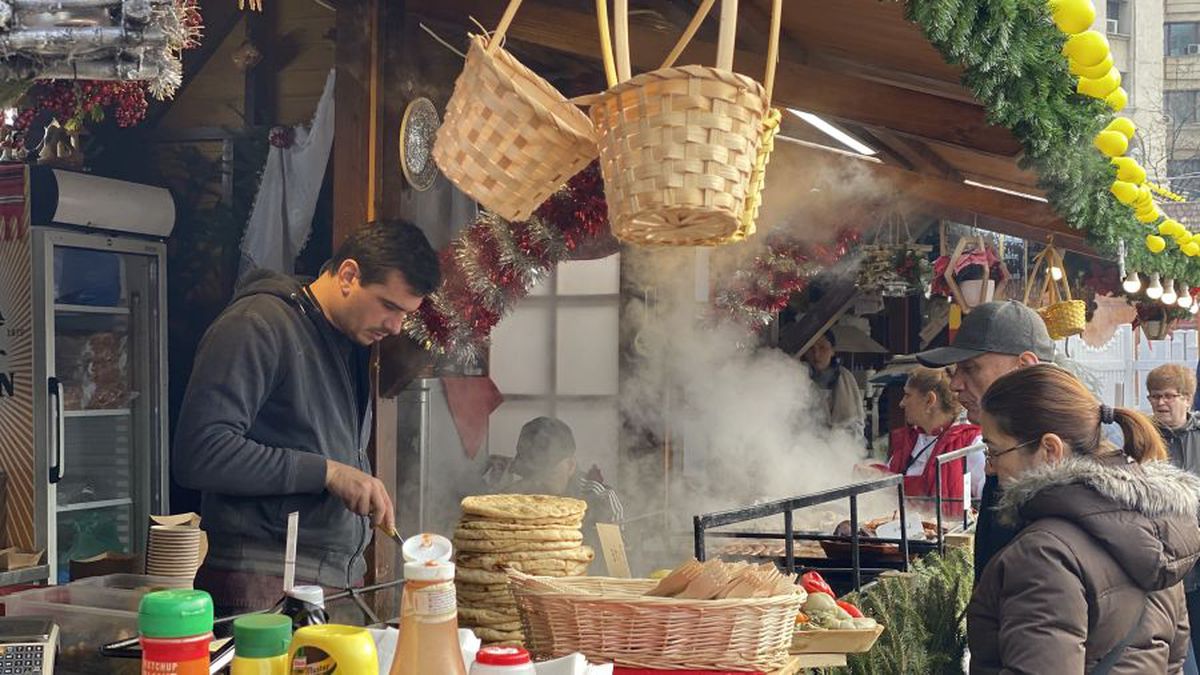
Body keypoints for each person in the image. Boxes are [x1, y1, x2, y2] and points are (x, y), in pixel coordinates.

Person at [173, 220, 441, 615]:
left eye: (406, 314)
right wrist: (329, 472)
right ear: (349, 275)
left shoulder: (348, 341)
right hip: (262, 586)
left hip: (328, 582)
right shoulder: (257, 324)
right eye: (389, 306)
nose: (396, 326)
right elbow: (201, 453)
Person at [967, 364, 1198, 674]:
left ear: (1050, 449)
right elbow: (1173, 662)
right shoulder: (1157, 525)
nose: (990, 467)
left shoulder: (1044, 554)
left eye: (994, 451)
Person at [914, 300, 1055, 581]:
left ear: (1023, 366)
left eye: (971, 368)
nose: (954, 385)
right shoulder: (1008, 452)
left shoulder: (1061, 462)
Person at [504, 417, 624, 549]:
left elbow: (616, 559)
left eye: (547, 473)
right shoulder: (510, 499)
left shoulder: (600, 498)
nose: (538, 482)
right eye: (530, 474)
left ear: (570, 466)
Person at [1149, 364, 1200, 661]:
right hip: (1166, 564)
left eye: (1168, 395)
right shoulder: (1145, 437)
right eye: (1154, 396)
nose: (1160, 403)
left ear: (1187, 398)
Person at [887, 367, 984, 515]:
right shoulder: (908, 443)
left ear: (929, 400)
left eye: (907, 395)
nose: (902, 403)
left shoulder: (971, 445)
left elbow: (988, 501)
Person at [800, 331, 864, 438]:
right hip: (807, 448)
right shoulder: (798, 377)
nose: (816, 354)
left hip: (841, 448)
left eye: (822, 348)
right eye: (811, 349)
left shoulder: (846, 377)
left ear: (832, 351)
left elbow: (858, 422)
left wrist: (839, 435)